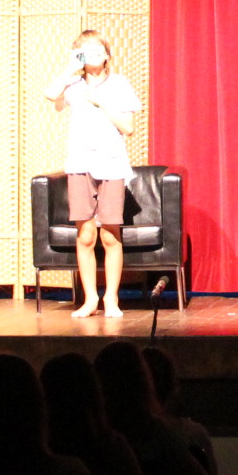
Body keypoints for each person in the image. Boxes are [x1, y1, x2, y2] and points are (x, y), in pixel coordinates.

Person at [46, 29, 143, 319]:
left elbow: (128, 128)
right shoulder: (72, 85)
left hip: (111, 164)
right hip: (80, 163)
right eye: (86, 51)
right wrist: (70, 68)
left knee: (110, 236)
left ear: (107, 55)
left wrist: (102, 103)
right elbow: (50, 95)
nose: (94, 54)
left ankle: (111, 298)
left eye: (98, 49)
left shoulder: (119, 84)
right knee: (86, 235)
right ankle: (90, 300)